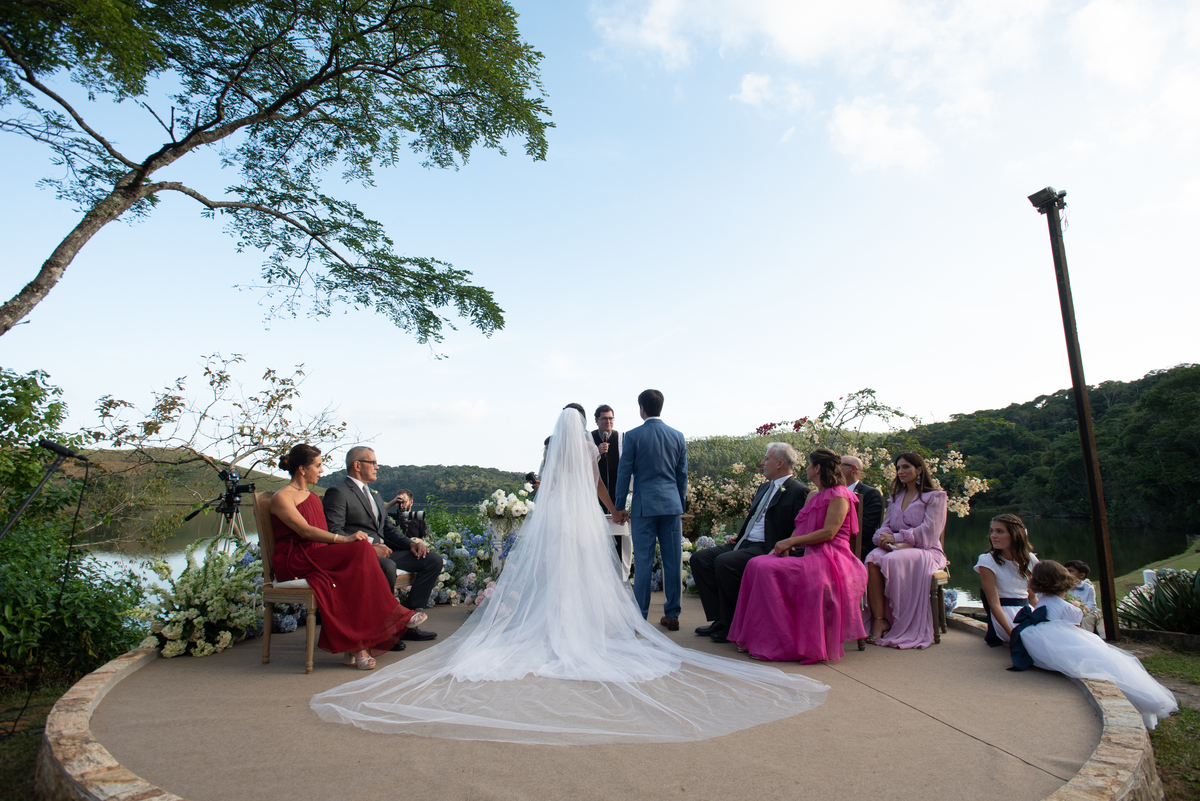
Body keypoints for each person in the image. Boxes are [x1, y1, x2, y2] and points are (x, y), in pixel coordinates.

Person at [309, 408, 830, 744]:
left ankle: (544, 625)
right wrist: (614, 509)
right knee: (589, 573)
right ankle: (589, 627)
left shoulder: (555, 450)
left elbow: (545, 490)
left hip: (554, 518)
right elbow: (601, 491)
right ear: (583, 427)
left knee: (552, 577)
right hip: (583, 521)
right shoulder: (588, 448)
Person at [268, 444, 425, 670]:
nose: (321, 471)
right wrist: (345, 540)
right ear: (302, 469)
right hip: (296, 559)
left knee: (360, 554)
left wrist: (353, 542)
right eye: (318, 466)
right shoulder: (282, 497)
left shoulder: (310, 496)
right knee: (358, 549)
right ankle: (394, 615)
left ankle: (359, 646)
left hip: (318, 554)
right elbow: (304, 531)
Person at [728, 449, 868, 663]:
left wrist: (791, 541)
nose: (806, 469)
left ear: (818, 468)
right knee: (755, 563)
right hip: (806, 552)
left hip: (830, 556)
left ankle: (783, 643)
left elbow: (829, 532)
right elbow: (800, 527)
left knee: (767, 569)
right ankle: (759, 637)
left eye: (809, 465)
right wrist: (785, 545)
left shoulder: (840, 495)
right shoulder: (812, 495)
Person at [1009, 561, 1177, 729]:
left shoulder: (1043, 600)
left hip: (1039, 637)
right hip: (1063, 639)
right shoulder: (1071, 609)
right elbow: (1074, 631)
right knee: (1105, 664)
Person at [691, 443, 809, 643]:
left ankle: (732, 624)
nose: (763, 463)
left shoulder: (799, 491)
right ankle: (720, 618)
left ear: (780, 463)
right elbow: (755, 517)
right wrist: (740, 534)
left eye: (767, 459)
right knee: (700, 559)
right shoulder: (764, 486)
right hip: (746, 542)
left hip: (768, 547)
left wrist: (785, 544)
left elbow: (800, 527)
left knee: (725, 562)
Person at [322, 446, 442, 642]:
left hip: (384, 553)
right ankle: (384, 631)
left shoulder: (375, 495)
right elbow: (334, 532)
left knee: (433, 560)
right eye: (373, 463)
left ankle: (407, 622)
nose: (377, 467)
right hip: (358, 556)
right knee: (388, 566)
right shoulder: (338, 493)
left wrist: (410, 544)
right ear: (358, 465)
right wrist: (369, 548)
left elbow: (388, 530)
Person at [612, 389, 688, 629]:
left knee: (643, 561)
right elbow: (682, 475)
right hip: (671, 505)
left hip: (645, 505)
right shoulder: (677, 436)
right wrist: (680, 503)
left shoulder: (633, 436)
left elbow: (624, 473)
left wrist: (619, 506)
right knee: (673, 560)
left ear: (641, 408)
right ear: (660, 407)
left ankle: (640, 616)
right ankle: (672, 614)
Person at [864, 452, 948, 648]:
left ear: (919, 470)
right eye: (898, 468)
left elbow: (929, 532)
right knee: (872, 557)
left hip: (927, 550)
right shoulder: (896, 497)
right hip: (896, 547)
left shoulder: (935, 497)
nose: (901, 471)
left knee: (892, 560)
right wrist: (883, 538)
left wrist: (898, 538)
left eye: (906, 467)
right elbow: (886, 525)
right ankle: (879, 619)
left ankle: (901, 622)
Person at [974, 513, 1038, 646]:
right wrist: (1013, 635)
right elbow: (994, 604)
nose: (993, 536)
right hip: (1004, 615)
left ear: (1015, 535)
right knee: (1032, 641)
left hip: (1026, 611)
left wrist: (1048, 616)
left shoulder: (1030, 559)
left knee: (1052, 634)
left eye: (1000, 531)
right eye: (992, 531)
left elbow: (1032, 597)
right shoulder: (987, 560)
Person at [591, 404, 626, 559]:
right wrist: (596, 453)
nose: (608, 422)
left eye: (611, 418)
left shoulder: (621, 438)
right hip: (593, 496)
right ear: (596, 420)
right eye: (604, 418)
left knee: (618, 540)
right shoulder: (588, 438)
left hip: (616, 495)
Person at [840, 454, 882, 560]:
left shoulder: (870, 493)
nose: (836, 469)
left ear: (853, 468)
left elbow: (866, 527)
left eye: (840, 465)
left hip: (858, 546)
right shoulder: (834, 492)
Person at [1064, 559, 1104, 636]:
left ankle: (1085, 638)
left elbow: (1091, 604)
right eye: (1065, 570)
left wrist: (1082, 610)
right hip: (1070, 612)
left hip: (1088, 611)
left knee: (1087, 619)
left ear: (1081, 575)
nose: (1066, 573)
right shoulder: (1063, 588)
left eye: (1070, 571)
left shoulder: (1088, 588)